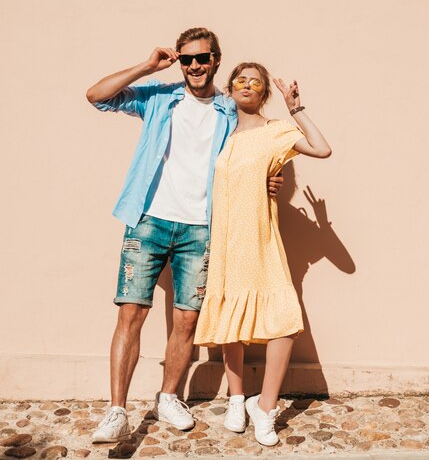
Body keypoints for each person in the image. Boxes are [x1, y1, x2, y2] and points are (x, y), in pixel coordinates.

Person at [85, 28, 284, 443]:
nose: (194, 65)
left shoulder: (231, 111)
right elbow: (96, 96)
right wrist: (147, 65)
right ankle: (117, 411)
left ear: (216, 60)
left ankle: (168, 396)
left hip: (204, 227)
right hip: (149, 220)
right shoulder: (159, 96)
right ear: (180, 60)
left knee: (187, 318)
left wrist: (268, 179)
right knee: (131, 313)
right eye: (187, 58)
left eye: (202, 58)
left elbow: (256, 151)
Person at [193, 62, 332, 446]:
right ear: (230, 87)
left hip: (260, 238)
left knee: (284, 320)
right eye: (241, 79)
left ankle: (265, 406)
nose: (248, 85)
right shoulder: (220, 130)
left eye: (256, 81)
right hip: (224, 240)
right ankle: (237, 398)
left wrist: (296, 109)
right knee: (231, 320)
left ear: (264, 93)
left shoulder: (275, 131)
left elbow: (322, 149)